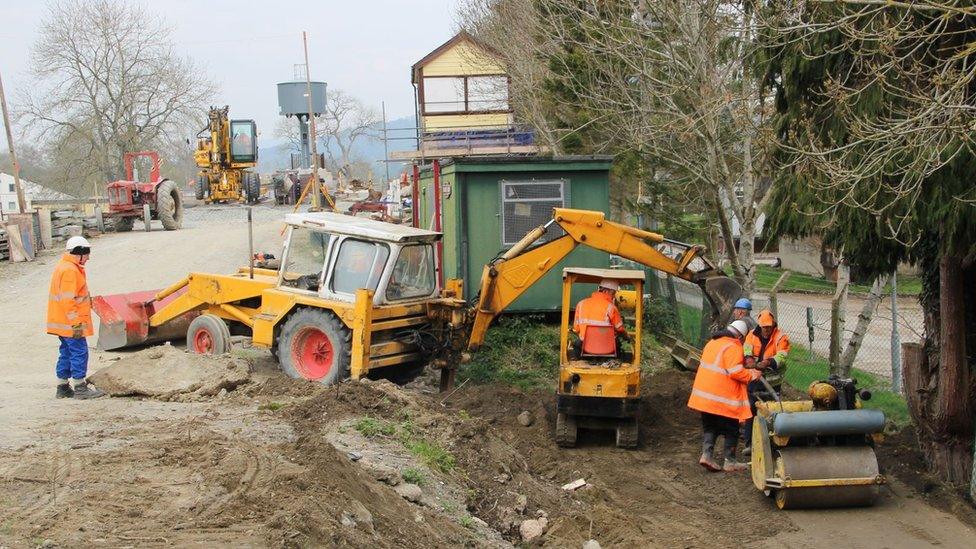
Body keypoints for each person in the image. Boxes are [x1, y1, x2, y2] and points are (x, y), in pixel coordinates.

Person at [687, 319, 765, 472]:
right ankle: (730, 461)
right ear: (741, 337)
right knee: (732, 428)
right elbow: (735, 371)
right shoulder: (733, 346)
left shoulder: (712, 343)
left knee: (710, 426)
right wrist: (751, 374)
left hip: (705, 396)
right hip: (722, 398)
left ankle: (706, 455)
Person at [46, 236, 104, 399]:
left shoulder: (64, 266)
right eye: (87, 254)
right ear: (79, 253)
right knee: (79, 352)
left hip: (63, 323)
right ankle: (80, 387)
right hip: (72, 324)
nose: (88, 257)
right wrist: (76, 323)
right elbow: (68, 300)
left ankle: (62, 387)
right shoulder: (70, 270)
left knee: (66, 353)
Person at [742, 309, 791, 455]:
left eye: (769, 327)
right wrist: (749, 358)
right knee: (751, 409)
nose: (767, 330)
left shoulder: (781, 337)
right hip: (754, 379)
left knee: (771, 411)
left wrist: (768, 362)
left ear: (773, 324)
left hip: (772, 382)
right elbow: (746, 349)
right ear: (760, 325)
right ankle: (750, 444)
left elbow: (782, 356)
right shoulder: (752, 335)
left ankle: (772, 444)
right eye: (764, 327)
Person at [572, 280, 629, 357]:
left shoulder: (581, 304)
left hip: (584, 347)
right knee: (618, 345)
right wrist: (627, 337)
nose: (613, 296)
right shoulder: (611, 307)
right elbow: (620, 329)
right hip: (607, 348)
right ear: (606, 291)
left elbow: (576, 329)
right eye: (613, 293)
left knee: (576, 344)